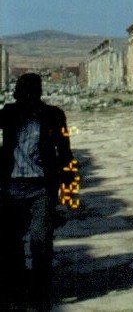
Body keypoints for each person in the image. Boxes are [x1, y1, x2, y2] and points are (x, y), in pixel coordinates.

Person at [0, 72, 75, 312]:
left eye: (25, 91)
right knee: (11, 243)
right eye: (19, 91)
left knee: (40, 241)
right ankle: (18, 289)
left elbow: (65, 151)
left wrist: (70, 189)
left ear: (36, 93)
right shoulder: (8, 114)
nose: (19, 95)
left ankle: (40, 293)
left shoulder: (54, 116)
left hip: (42, 186)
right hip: (11, 187)